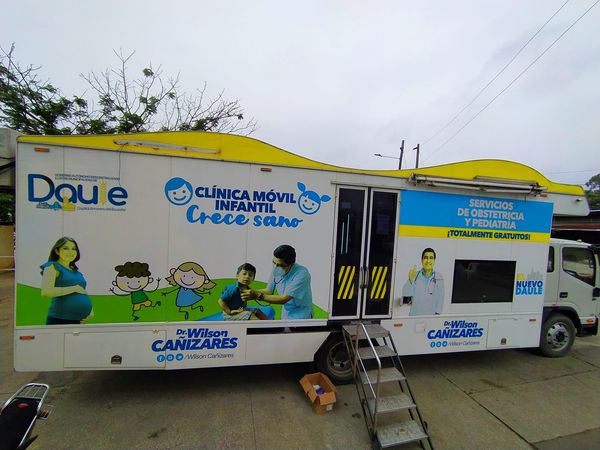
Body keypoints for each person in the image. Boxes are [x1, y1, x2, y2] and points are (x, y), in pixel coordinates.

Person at [242, 245, 313, 319]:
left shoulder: (302, 274)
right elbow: (269, 291)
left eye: (280, 265)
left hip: (301, 315)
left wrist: (257, 295)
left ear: (291, 264)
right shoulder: (277, 268)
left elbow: (284, 299)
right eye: (274, 263)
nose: (276, 267)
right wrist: (249, 292)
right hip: (286, 314)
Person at [40, 237, 93, 325]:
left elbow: (82, 291)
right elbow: (46, 292)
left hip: (79, 320)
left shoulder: (76, 272)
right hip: (59, 319)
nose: (70, 252)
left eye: (74, 249)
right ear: (57, 251)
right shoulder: (52, 267)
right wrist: (74, 288)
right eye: (65, 248)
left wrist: (90, 311)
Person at [403, 247, 444, 316]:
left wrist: (437, 316)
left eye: (431, 258)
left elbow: (440, 299)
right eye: (425, 258)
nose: (428, 261)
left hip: (431, 317)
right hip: (414, 316)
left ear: (434, 260)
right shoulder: (414, 275)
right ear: (421, 260)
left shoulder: (439, 277)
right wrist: (410, 281)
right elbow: (405, 298)